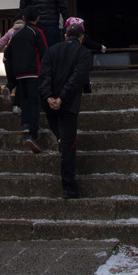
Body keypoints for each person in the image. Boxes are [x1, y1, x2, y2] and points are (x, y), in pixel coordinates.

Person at [38, 22, 93, 198]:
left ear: (65, 35)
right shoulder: (84, 53)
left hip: (49, 103)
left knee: (63, 138)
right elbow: (77, 78)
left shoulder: (51, 50)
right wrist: (62, 98)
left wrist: (49, 97)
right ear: (82, 38)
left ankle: (61, 141)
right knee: (69, 144)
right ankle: (69, 187)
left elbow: (44, 75)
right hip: (67, 104)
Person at [3, 5, 48, 153]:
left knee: (24, 99)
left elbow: (7, 53)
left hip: (19, 73)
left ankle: (25, 125)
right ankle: (33, 136)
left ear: (23, 18)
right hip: (34, 72)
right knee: (34, 102)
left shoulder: (16, 34)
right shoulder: (37, 32)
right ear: (38, 18)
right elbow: (45, 53)